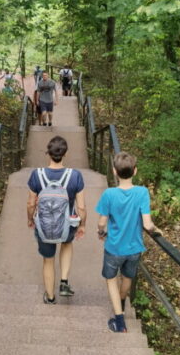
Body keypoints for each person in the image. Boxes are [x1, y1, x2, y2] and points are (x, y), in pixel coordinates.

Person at [95, 151, 161, 333]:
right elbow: (148, 224)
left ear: (114, 172)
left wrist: (101, 232)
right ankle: (122, 302)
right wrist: (157, 230)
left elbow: (102, 221)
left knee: (110, 279)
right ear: (135, 171)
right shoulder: (142, 192)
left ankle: (119, 321)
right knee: (127, 277)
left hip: (114, 247)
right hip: (134, 248)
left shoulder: (109, 194)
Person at [27, 135, 86, 303]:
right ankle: (64, 281)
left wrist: (30, 219)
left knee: (48, 259)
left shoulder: (36, 175)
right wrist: (82, 225)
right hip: (67, 225)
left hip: (44, 227)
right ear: (65, 154)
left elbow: (31, 203)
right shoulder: (75, 176)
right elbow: (81, 207)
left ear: (48, 153)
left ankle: (50, 297)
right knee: (67, 244)